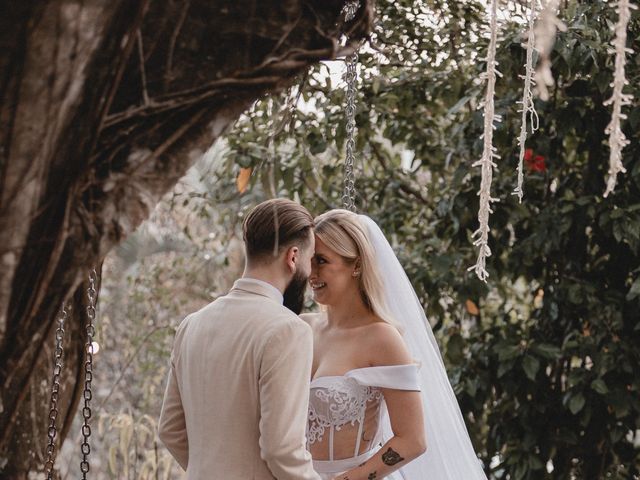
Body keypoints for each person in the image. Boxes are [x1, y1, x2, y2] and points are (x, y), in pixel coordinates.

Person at [303, 209, 488, 480]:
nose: (311, 272)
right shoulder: (302, 327)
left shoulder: (381, 338)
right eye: (309, 260)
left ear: (356, 265)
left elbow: (412, 440)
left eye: (322, 261)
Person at [158, 198, 322, 480]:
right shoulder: (288, 330)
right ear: (293, 257)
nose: (310, 275)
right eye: (310, 261)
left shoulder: (192, 324)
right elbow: (281, 449)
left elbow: (170, 430)